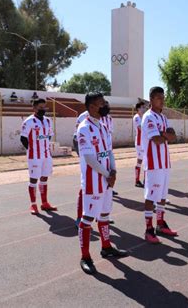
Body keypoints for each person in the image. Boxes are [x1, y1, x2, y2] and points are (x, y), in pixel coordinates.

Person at [76, 92, 128, 274]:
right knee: (88, 218)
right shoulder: (83, 129)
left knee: (105, 215)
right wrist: (107, 174)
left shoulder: (104, 126)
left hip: (106, 180)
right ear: (91, 107)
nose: (105, 105)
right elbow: (90, 158)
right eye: (101, 103)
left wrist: (113, 171)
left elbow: (109, 151)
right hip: (93, 182)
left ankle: (106, 247)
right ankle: (85, 257)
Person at [141, 86, 178, 243]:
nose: (162, 101)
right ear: (151, 100)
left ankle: (160, 224)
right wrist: (165, 135)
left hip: (164, 163)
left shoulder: (163, 117)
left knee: (162, 196)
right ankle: (148, 229)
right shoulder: (148, 117)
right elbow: (156, 140)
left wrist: (164, 134)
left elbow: (174, 137)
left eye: (163, 98)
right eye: (158, 98)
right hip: (153, 163)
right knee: (151, 196)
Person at [20, 98, 57, 214]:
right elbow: (23, 138)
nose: (42, 109)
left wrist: (43, 146)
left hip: (46, 155)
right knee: (33, 179)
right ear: (34, 108)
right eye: (40, 108)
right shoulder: (29, 121)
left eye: (44, 107)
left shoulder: (48, 120)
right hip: (34, 156)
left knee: (44, 178)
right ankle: (33, 204)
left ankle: (44, 203)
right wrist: (32, 149)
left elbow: (49, 135)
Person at [73, 109, 89, 227]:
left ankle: (102, 216)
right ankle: (80, 216)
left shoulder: (105, 119)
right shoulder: (83, 118)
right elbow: (77, 136)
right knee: (85, 183)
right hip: (87, 152)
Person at [133, 101, 146, 187]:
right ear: (138, 109)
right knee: (140, 160)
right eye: (142, 107)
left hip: (145, 142)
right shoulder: (137, 117)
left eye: (144, 107)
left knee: (146, 161)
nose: (144, 109)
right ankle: (137, 180)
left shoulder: (144, 117)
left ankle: (146, 180)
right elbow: (140, 128)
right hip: (140, 142)